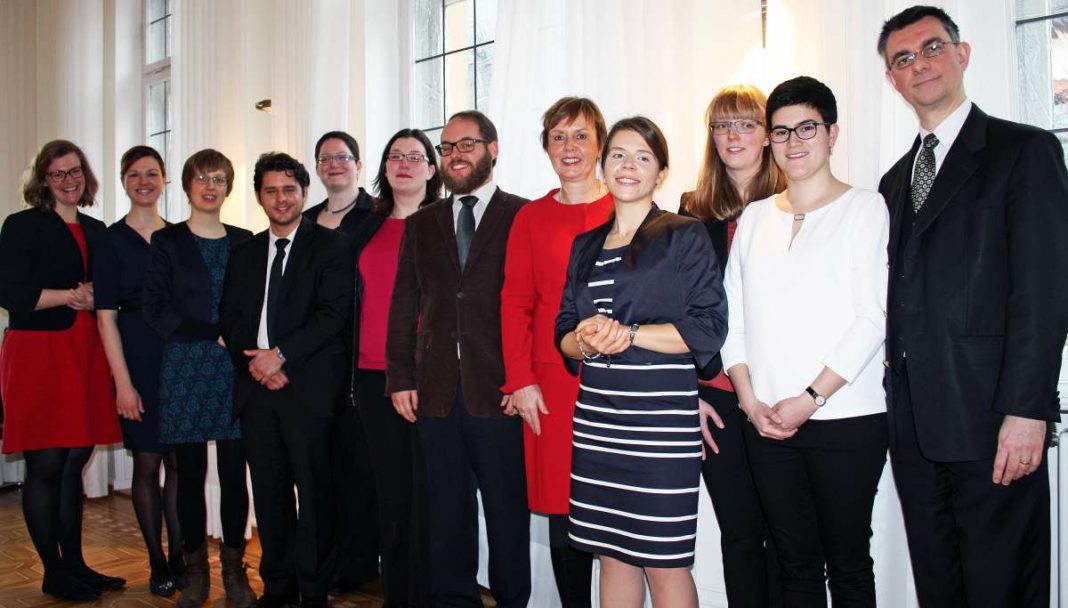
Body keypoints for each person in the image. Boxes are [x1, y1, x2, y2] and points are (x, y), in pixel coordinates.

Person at [877, 6, 1068, 606]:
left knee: (1002, 588)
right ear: (892, 80)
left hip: (994, 423)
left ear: (961, 56)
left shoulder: (1024, 151)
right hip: (914, 431)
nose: (919, 64)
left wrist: (1028, 410)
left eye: (931, 48)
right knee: (941, 590)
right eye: (902, 59)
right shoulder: (893, 182)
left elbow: (1044, 290)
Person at [720, 76, 889, 607]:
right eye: (781, 131)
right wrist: (750, 402)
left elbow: (872, 318)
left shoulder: (865, 208)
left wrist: (810, 399)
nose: (793, 142)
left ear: (832, 133)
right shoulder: (753, 217)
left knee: (847, 564)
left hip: (846, 420)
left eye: (807, 128)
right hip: (766, 423)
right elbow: (734, 320)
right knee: (793, 565)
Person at [555, 116, 727, 608]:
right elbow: (563, 331)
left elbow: (708, 328)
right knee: (611, 555)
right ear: (604, 166)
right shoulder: (584, 246)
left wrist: (627, 334)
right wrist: (585, 342)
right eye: (619, 155)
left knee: (664, 560)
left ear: (661, 173)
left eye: (643, 157)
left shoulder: (683, 235)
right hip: (598, 422)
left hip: (659, 425)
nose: (629, 166)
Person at [386, 110, 531, 607]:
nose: (456, 155)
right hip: (436, 393)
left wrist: (524, 379)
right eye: (447, 147)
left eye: (466, 144)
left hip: (502, 393)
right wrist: (400, 377)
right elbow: (405, 303)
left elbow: (535, 305)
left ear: (493, 148)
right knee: (446, 514)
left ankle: (513, 600)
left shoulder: (522, 215)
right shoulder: (422, 223)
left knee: (508, 513)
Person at [220, 152, 354, 608]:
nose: (281, 198)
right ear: (259, 196)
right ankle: (278, 588)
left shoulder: (332, 246)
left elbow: (333, 316)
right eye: (272, 190)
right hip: (257, 393)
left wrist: (281, 358)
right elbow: (231, 318)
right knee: (270, 496)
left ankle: (314, 591)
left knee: (316, 498)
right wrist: (257, 365)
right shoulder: (244, 253)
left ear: (304, 193)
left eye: (290, 189)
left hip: (309, 392)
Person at [0, 140, 124, 602]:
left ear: (85, 176)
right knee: (46, 463)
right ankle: (53, 572)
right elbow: (12, 292)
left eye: (75, 172)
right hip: (39, 351)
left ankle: (75, 564)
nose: (69, 180)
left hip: (85, 349)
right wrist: (70, 296)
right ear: (43, 181)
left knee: (74, 462)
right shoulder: (22, 225)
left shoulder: (97, 229)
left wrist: (95, 297)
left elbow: (110, 292)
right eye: (58, 174)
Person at [500, 96, 612, 607]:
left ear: (601, 144)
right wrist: (519, 380)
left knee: (612, 506)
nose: (570, 147)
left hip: (622, 379)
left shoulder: (626, 207)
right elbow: (515, 303)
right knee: (565, 511)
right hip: (551, 385)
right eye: (559, 136)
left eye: (581, 135)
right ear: (546, 146)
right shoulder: (530, 218)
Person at [679, 84, 786, 608]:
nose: (732, 136)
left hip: (781, 392)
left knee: (788, 538)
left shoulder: (798, 203)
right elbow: (676, 314)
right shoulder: (691, 214)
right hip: (716, 397)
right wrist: (689, 396)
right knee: (740, 534)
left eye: (745, 123)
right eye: (722, 126)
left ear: (768, 135)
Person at [142, 149, 255, 608]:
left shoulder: (246, 241)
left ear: (229, 187)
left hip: (234, 372)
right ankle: (195, 573)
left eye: (219, 178)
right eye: (201, 178)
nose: (210, 186)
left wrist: (236, 340)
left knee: (234, 475)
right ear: (186, 185)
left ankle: (233, 570)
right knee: (188, 477)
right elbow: (156, 310)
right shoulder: (166, 242)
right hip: (186, 368)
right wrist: (215, 334)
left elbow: (253, 305)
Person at [343, 128, 442, 606]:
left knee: (427, 494)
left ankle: (427, 593)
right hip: (370, 377)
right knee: (389, 494)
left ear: (431, 167)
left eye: (415, 156)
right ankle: (398, 595)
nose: (404, 163)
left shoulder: (444, 224)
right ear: (383, 168)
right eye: (395, 156)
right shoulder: (363, 227)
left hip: (428, 378)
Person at [94, 145, 184, 597]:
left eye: (152, 173)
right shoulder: (109, 240)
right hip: (135, 356)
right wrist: (123, 384)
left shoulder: (178, 237)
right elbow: (104, 316)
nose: (143, 181)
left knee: (178, 464)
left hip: (177, 359)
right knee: (147, 464)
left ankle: (178, 556)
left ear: (164, 178)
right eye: (134, 174)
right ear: (124, 182)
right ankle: (155, 559)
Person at [302, 130, 380, 596]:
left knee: (358, 469)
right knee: (319, 470)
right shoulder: (306, 221)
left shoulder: (378, 215)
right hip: (313, 362)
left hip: (361, 359)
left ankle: (356, 564)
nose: (334, 164)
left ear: (358, 163)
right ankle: (322, 560)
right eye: (325, 158)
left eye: (343, 157)